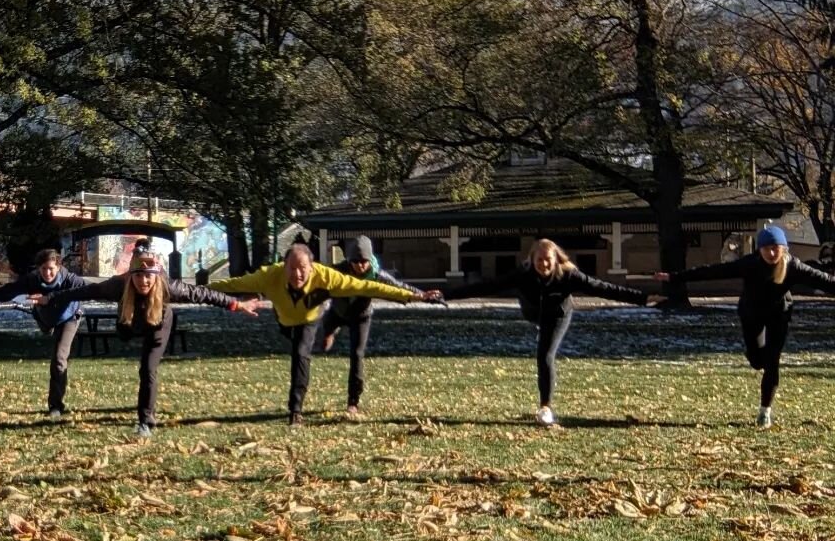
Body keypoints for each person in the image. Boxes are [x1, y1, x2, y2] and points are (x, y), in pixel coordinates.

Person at [27, 254, 260, 436]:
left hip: (158, 324)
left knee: (147, 369)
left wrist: (236, 305)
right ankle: (125, 330)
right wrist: (50, 298)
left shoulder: (170, 287)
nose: (144, 280)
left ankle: (145, 421)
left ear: (157, 276)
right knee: (124, 331)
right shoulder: (118, 286)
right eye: (138, 275)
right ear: (131, 276)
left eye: (149, 275)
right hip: (129, 321)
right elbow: (85, 291)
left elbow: (203, 294)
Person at [210, 242, 436, 425]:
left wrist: (416, 296)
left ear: (312, 267)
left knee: (301, 354)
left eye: (303, 269)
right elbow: (232, 284)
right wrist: (189, 290)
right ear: (283, 265)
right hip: (285, 319)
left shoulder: (327, 277)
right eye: (292, 268)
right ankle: (323, 339)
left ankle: (295, 411)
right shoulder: (268, 276)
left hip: (310, 319)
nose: (297, 274)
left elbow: (372, 288)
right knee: (297, 343)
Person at [445, 238, 649, 427]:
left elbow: (605, 288)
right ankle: (540, 331)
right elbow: (485, 287)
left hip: (557, 315)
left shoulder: (569, 276)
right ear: (532, 260)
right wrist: (445, 294)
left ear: (556, 259)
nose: (544, 264)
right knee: (543, 344)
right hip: (532, 312)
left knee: (545, 355)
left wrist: (644, 298)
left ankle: (545, 407)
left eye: (548, 260)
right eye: (539, 260)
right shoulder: (522, 275)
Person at [656, 225, 835, 427]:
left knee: (772, 361)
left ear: (784, 248)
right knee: (758, 361)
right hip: (752, 314)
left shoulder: (793, 266)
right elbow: (714, 271)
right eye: (767, 248)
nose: (772, 252)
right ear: (759, 249)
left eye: (776, 247)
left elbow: (826, 281)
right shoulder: (750, 264)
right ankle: (755, 357)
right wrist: (674, 277)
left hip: (779, 315)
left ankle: (765, 411)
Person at [317, 236, 439, 419]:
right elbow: (318, 281)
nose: (360, 266)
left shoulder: (376, 274)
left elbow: (399, 287)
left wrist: (423, 295)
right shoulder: (338, 271)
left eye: (364, 261)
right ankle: (330, 333)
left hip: (361, 316)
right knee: (325, 334)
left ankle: (353, 401)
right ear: (349, 260)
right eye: (355, 261)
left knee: (357, 355)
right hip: (337, 312)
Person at [0, 249, 88, 418]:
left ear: (59, 267)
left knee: (59, 358)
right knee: (44, 318)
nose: (47, 273)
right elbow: (5, 292)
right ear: (38, 269)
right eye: (43, 269)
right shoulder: (32, 280)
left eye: (51, 269)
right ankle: (44, 319)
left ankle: (55, 405)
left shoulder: (71, 280)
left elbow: (91, 290)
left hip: (69, 317)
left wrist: (52, 297)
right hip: (44, 316)